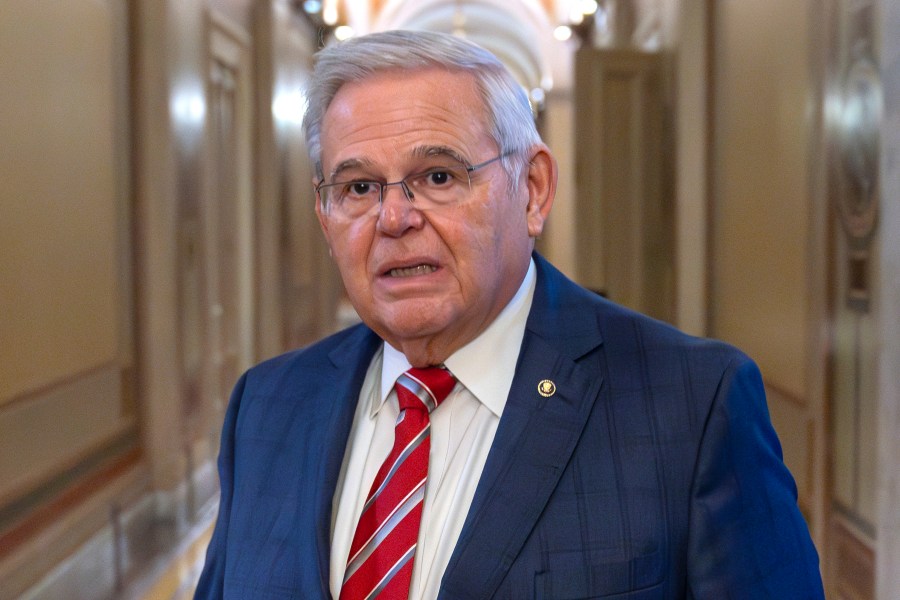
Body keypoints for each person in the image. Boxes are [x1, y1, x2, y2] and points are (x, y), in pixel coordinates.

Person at [194, 29, 824, 599]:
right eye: (358, 188)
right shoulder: (268, 404)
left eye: (437, 176)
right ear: (324, 216)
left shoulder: (693, 406)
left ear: (533, 189)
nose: (393, 219)